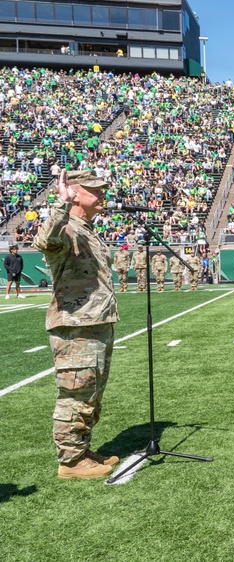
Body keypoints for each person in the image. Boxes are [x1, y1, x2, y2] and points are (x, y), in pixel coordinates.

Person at [33, 169, 120, 479]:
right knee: (76, 392)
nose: (102, 195)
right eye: (93, 190)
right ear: (75, 194)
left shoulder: (87, 229)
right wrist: (61, 204)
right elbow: (45, 240)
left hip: (95, 323)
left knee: (91, 392)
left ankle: (82, 450)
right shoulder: (66, 228)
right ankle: (70, 462)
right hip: (75, 326)